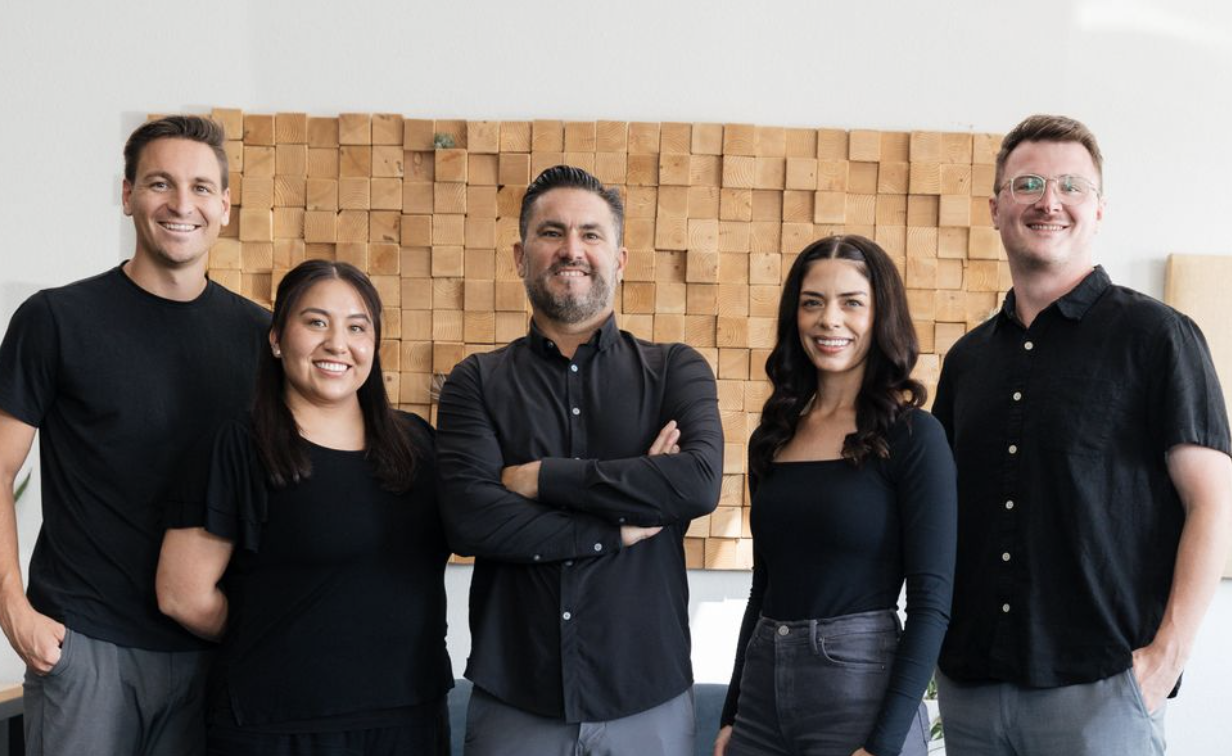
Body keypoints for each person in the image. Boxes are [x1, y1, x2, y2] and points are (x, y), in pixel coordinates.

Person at [932, 114, 1232, 755]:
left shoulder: (1158, 338)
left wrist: (1164, 661)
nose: (1049, 201)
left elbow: (1214, 502)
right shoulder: (966, 361)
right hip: (971, 688)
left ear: (1098, 210)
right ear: (995, 208)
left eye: (1072, 185)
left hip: (1103, 690)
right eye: (1029, 183)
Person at [0, 115, 269, 755]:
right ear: (126, 196)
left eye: (202, 187)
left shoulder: (261, 339)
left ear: (225, 207)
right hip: (86, 647)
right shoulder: (55, 319)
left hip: (213, 652)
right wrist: (14, 612)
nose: (182, 204)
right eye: (160, 183)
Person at [436, 165, 724, 755]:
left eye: (591, 234)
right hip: (519, 693)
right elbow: (472, 519)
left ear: (619, 260)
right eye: (552, 233)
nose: (572, 250)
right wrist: (618, 526)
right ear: (520, 256)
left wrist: (542, 478)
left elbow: (694, 484)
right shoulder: (477, 381)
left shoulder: (676, 369)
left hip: (645, 695)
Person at [156, 260, 453, 755]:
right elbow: (181, 595)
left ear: (373, 344)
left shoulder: (418, 445)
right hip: (276, 725)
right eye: (316, 322)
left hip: (409, 719)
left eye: (357, 327)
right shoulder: (238, 446)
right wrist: (280, 632)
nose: (337, 343)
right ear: (276, 339)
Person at [714, 235, 957, 756]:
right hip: (761, 695)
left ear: (881, 315)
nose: (829, 320)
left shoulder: (914, 437)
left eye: (851, 302)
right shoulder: (772, 437)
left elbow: (932, 604)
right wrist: (731, 716)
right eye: (812, 302)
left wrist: (883, 745)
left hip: (857, 691)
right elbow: (764, 587)